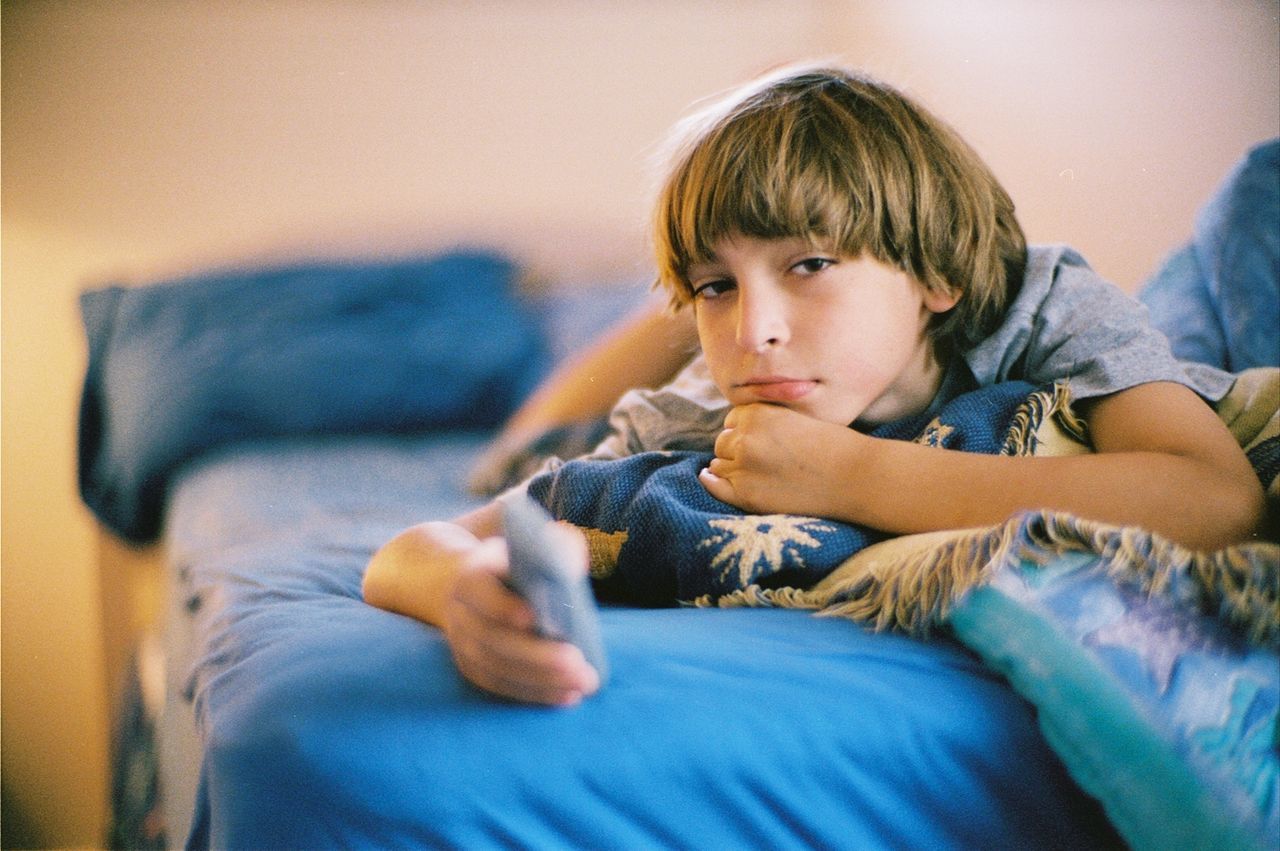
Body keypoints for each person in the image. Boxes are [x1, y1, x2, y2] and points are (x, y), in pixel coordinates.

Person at [363, 63, 1265, 707]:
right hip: (605, 413)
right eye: (717, 283)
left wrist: (850, 474)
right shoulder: (703, 411)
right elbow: (408, 549)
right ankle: (666, 302)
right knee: (516, 455)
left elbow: (1215, 498)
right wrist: (462, 590)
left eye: (812, 262)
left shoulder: (1042, 305)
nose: (756, 329)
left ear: (935, 276)